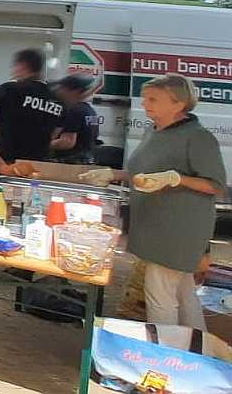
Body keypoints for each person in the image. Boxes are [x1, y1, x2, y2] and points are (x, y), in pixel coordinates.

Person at [80, 74, 225, 330]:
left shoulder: (198, 137)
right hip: (154, 224)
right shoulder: (154, 130)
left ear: (178, 103)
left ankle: (164, 349)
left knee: (159, 295)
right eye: (145, 98)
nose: (145, 104)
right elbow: (145, 174)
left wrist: (176, 179)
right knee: (183, 292)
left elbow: (215, 185)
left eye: (153, 99)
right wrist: (115, 174)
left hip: (178, 228)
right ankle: (195, 346)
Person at [0, 49, 63, 166]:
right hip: (39, 163)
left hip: (7, 161)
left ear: (22, 65)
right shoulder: (58, 99)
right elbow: (55, 133)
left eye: (14, 65)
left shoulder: (7, 91)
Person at [50, 74, 100, 164]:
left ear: (73, 91)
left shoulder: (74, 111)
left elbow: (67, 142)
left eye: (62, 88)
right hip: (86, 160)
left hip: (71, 162)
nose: (58, 91)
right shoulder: (90, 111)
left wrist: (42, 146)